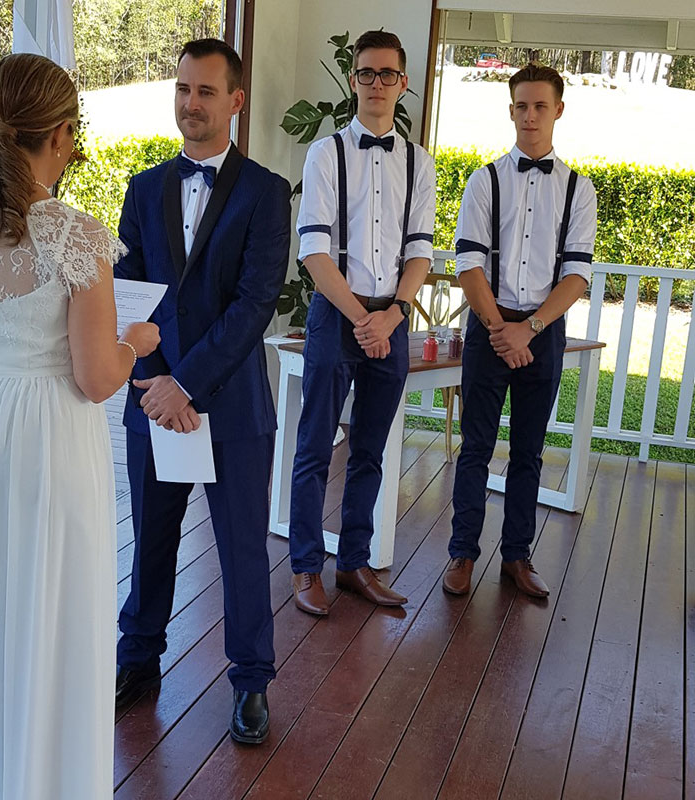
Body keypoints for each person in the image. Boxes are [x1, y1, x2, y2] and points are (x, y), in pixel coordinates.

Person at [0, 53, 159, 800]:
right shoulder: (74, 236)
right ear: (64, 132)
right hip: (44, 434)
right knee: (45, 615)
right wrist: (137, 341)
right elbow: (96, 376)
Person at [113, 38, 290, 745]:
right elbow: (128, 299)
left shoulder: (267, 193)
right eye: (183, 89)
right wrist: (154, 384)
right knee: (151, 542)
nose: (191, 104)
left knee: (242, 550)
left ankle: (251, 683)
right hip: (154, 400)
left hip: (232, 407)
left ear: (235, 101)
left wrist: (185, 381)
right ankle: (138, 661)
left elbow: (254, 306)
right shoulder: (142, 187)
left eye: (206, 92)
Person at [288, 30, 435, 616]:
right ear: (354, 80)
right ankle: (305, 567)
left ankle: (352, 563)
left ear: (402, 84)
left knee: (371, 450)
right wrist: (361, 319)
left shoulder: (419, 161)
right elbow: (314, 253)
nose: (377, 84)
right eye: (367, 73)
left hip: (391, 317)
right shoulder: (326, 154)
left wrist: (392, 315)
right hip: (336, 314)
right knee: (314, 449)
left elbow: (420, 249)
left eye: (388, 75)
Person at [443, 63, 597, 598]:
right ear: (510, 110)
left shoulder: (580, 188)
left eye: (540, 106)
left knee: (529, 450)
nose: (530, 115)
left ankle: (517, 557)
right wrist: (498, 328)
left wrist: (528, 329)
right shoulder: (483, 181)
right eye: (521, 106)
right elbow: (468, 264)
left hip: (542, 331)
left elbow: (577, 274)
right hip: (490, 327)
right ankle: (462, 553)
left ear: (557, 109)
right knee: (476, 447)